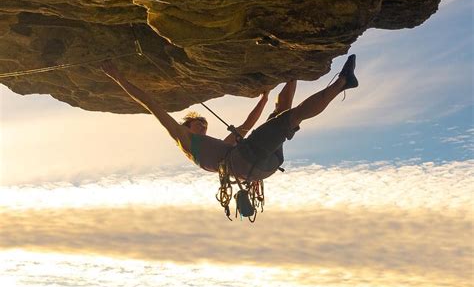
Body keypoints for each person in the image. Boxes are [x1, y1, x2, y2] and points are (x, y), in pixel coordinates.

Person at [101, 55, 358, 183]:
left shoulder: (219, 152)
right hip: (249, 162)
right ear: (184, 127)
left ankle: (294, 74)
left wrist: (263, 101)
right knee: (291, 118)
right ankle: (344, 81)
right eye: (197, 122)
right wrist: (118, 78)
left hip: (261, 166)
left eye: (204, 123)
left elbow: (245, 127)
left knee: (280, 116)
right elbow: (150, 103)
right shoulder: (183, 139)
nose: (202, 124)